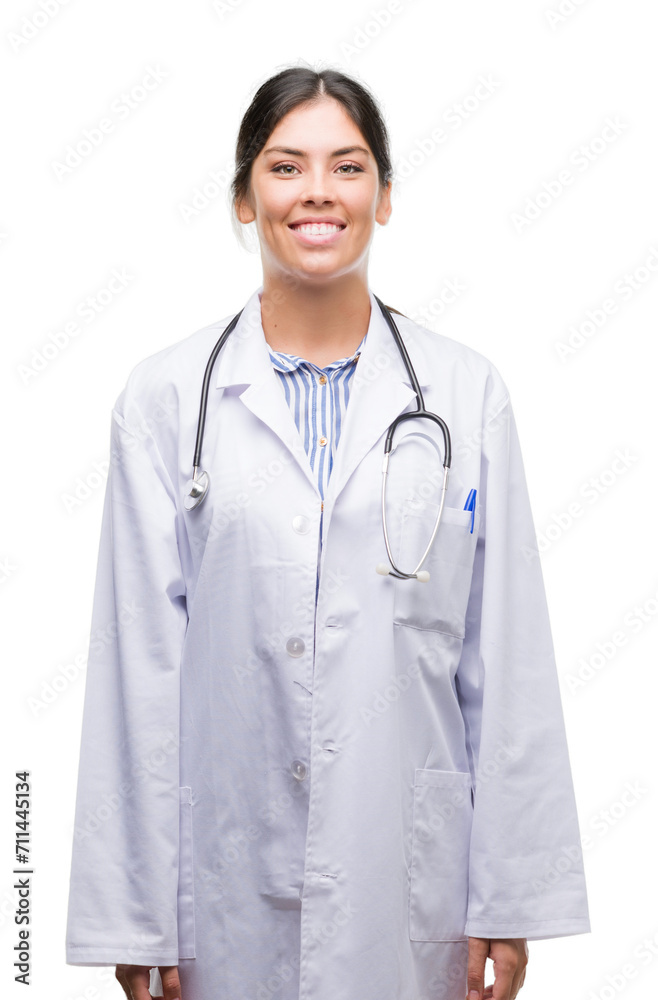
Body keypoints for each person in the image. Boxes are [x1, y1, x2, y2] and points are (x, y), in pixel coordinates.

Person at [65, 63, 591, 1000]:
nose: (317, 192)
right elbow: (134, 674)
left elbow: (504, 660)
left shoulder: (466, 397)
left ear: (385, 198)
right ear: (241, 198)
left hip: (408, 890)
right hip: (218, 891)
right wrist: (135, 914)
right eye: (284, 166)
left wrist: (505, 902)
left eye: (347, 167)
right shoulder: (165, 400)